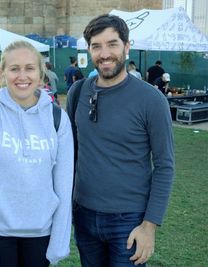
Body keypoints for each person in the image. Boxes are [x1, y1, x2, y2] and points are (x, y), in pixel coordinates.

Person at [66, 14, 174, 266]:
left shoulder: (151, 100)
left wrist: (149, 226)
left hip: (129, 221)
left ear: (127, 46)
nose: (104, 54)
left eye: (112, 44)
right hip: (83, 215)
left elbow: (165, 165)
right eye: (96, 46)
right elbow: (70, 152)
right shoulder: (78, 92)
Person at [0, 40, 74, 267]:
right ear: (2, 72)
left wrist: (59, 243)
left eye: (29, 68)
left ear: (41, 73)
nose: (22, 76)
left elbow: (64, 184)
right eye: (14, 69)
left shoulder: (57, 118)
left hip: (41, 235)